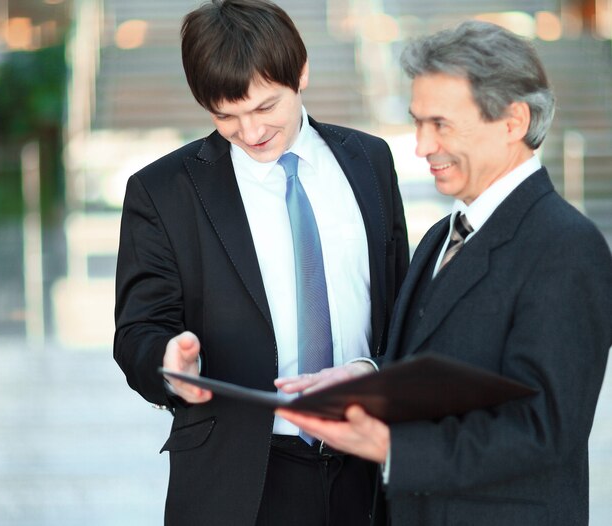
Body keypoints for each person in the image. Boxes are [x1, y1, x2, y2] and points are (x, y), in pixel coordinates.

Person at [277, 20, 612, 526]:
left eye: (441, 125)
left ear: (513, 121)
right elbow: (440, 364)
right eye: (417, 123)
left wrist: (393, 447)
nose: (421, 146)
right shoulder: (441, 233)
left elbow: (545, 427)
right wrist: (368, 375)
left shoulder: (567, 246)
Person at [113, 0, 409, 525]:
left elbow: (403, 307)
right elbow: (138, 330)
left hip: (370, 472)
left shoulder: (371, 160)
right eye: (226, 115)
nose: (251, 133)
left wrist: (374, 371)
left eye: (266, 107)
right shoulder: (162, 192)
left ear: (301, 73)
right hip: (240, 480)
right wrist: (170, 367)